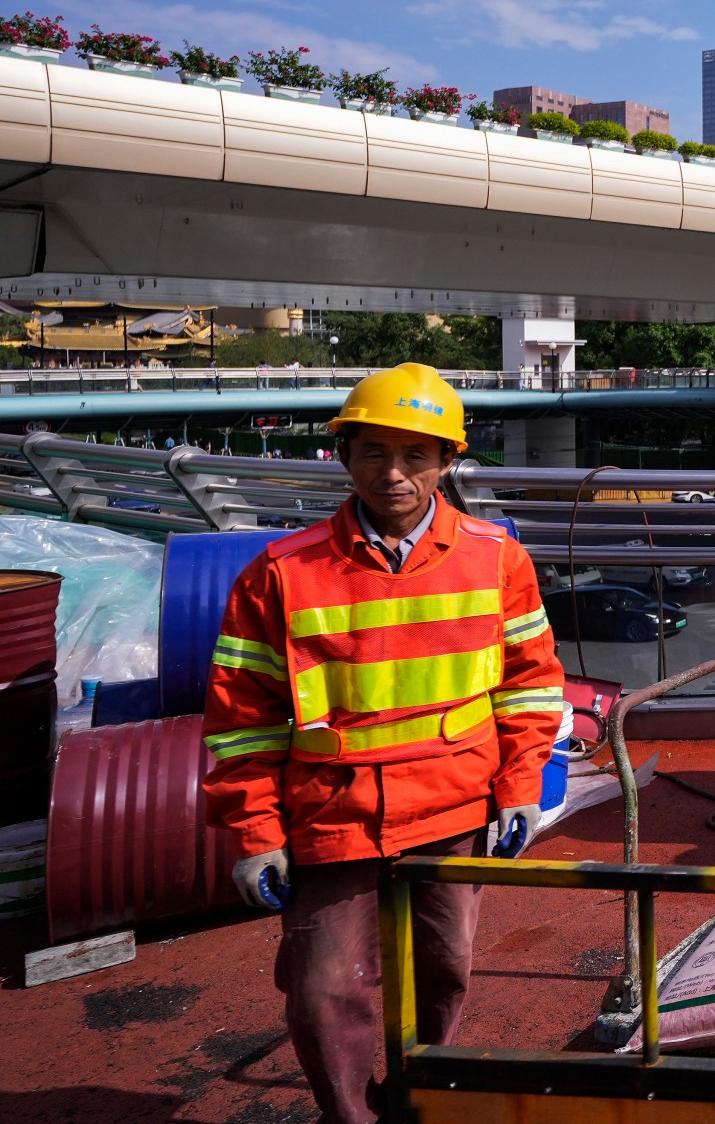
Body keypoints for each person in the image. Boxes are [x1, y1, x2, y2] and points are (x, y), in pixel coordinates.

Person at [201, 363, 565, 1124]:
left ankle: (424, 1101)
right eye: (373, 452)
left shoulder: (497, 558)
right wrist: (256, 834)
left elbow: (530, 688)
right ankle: (350, 1118)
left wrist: (520, 790)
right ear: (344, 455)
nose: (393, 474)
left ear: (446, 463)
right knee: (324, 992)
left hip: (455, 809)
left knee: (444, 972)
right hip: (334, 817)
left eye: (415, 456)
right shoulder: (281, 574)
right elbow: (244, 719)